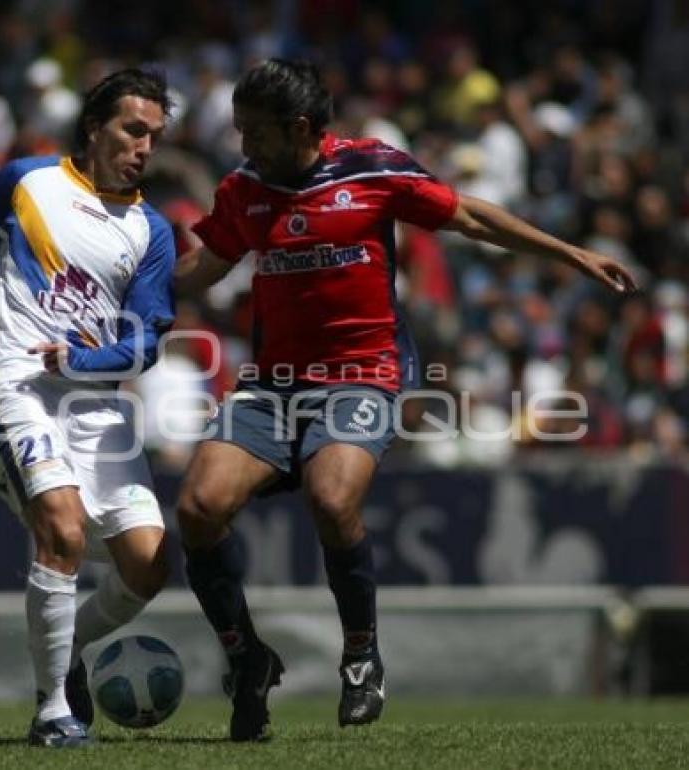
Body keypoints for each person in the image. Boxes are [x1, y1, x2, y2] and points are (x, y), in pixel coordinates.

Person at [174, 59, 637, 741]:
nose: (244, 146)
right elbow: (202, 270)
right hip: (272, 386)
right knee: (197, 508)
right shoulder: (244, 189)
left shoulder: (373, 170)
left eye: (256, 132)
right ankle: (247, 659)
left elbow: (472, 215)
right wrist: (126, 286)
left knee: (332, 500)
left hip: (363, 373)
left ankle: (360, 652)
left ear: (300, 127)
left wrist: (570, 254)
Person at [0, 68, 176, 747]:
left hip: (95, 405)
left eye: (154, 135)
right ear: (94, 127)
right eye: (132, 129)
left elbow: (147, 341)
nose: (144, 147)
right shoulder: (27, 182)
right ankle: (53, 710)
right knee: (60, 531)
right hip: (13, 383)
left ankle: (68, 653)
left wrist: (85, 362)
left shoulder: (152, 231)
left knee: (150, 565)